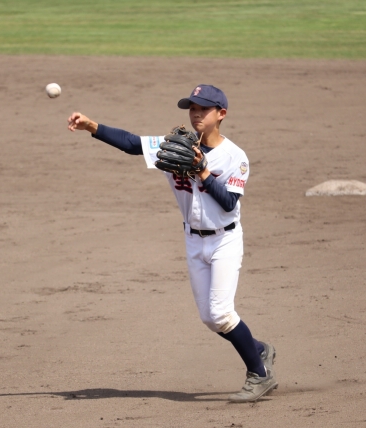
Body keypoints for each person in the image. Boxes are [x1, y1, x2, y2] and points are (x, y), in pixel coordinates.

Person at [67, 84, 277, 402]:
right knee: (210, 318)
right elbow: (131, 143)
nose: (196, 114)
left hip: (225, 240)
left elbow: (229, 203)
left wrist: (202, 171)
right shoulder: (173, 146)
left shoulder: (235, 157)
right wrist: (91, 126)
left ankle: (259, 375)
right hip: (193, 241)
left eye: (203, 109)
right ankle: (257, 349)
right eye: (192, 109)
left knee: (221, 314)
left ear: (221, 114)